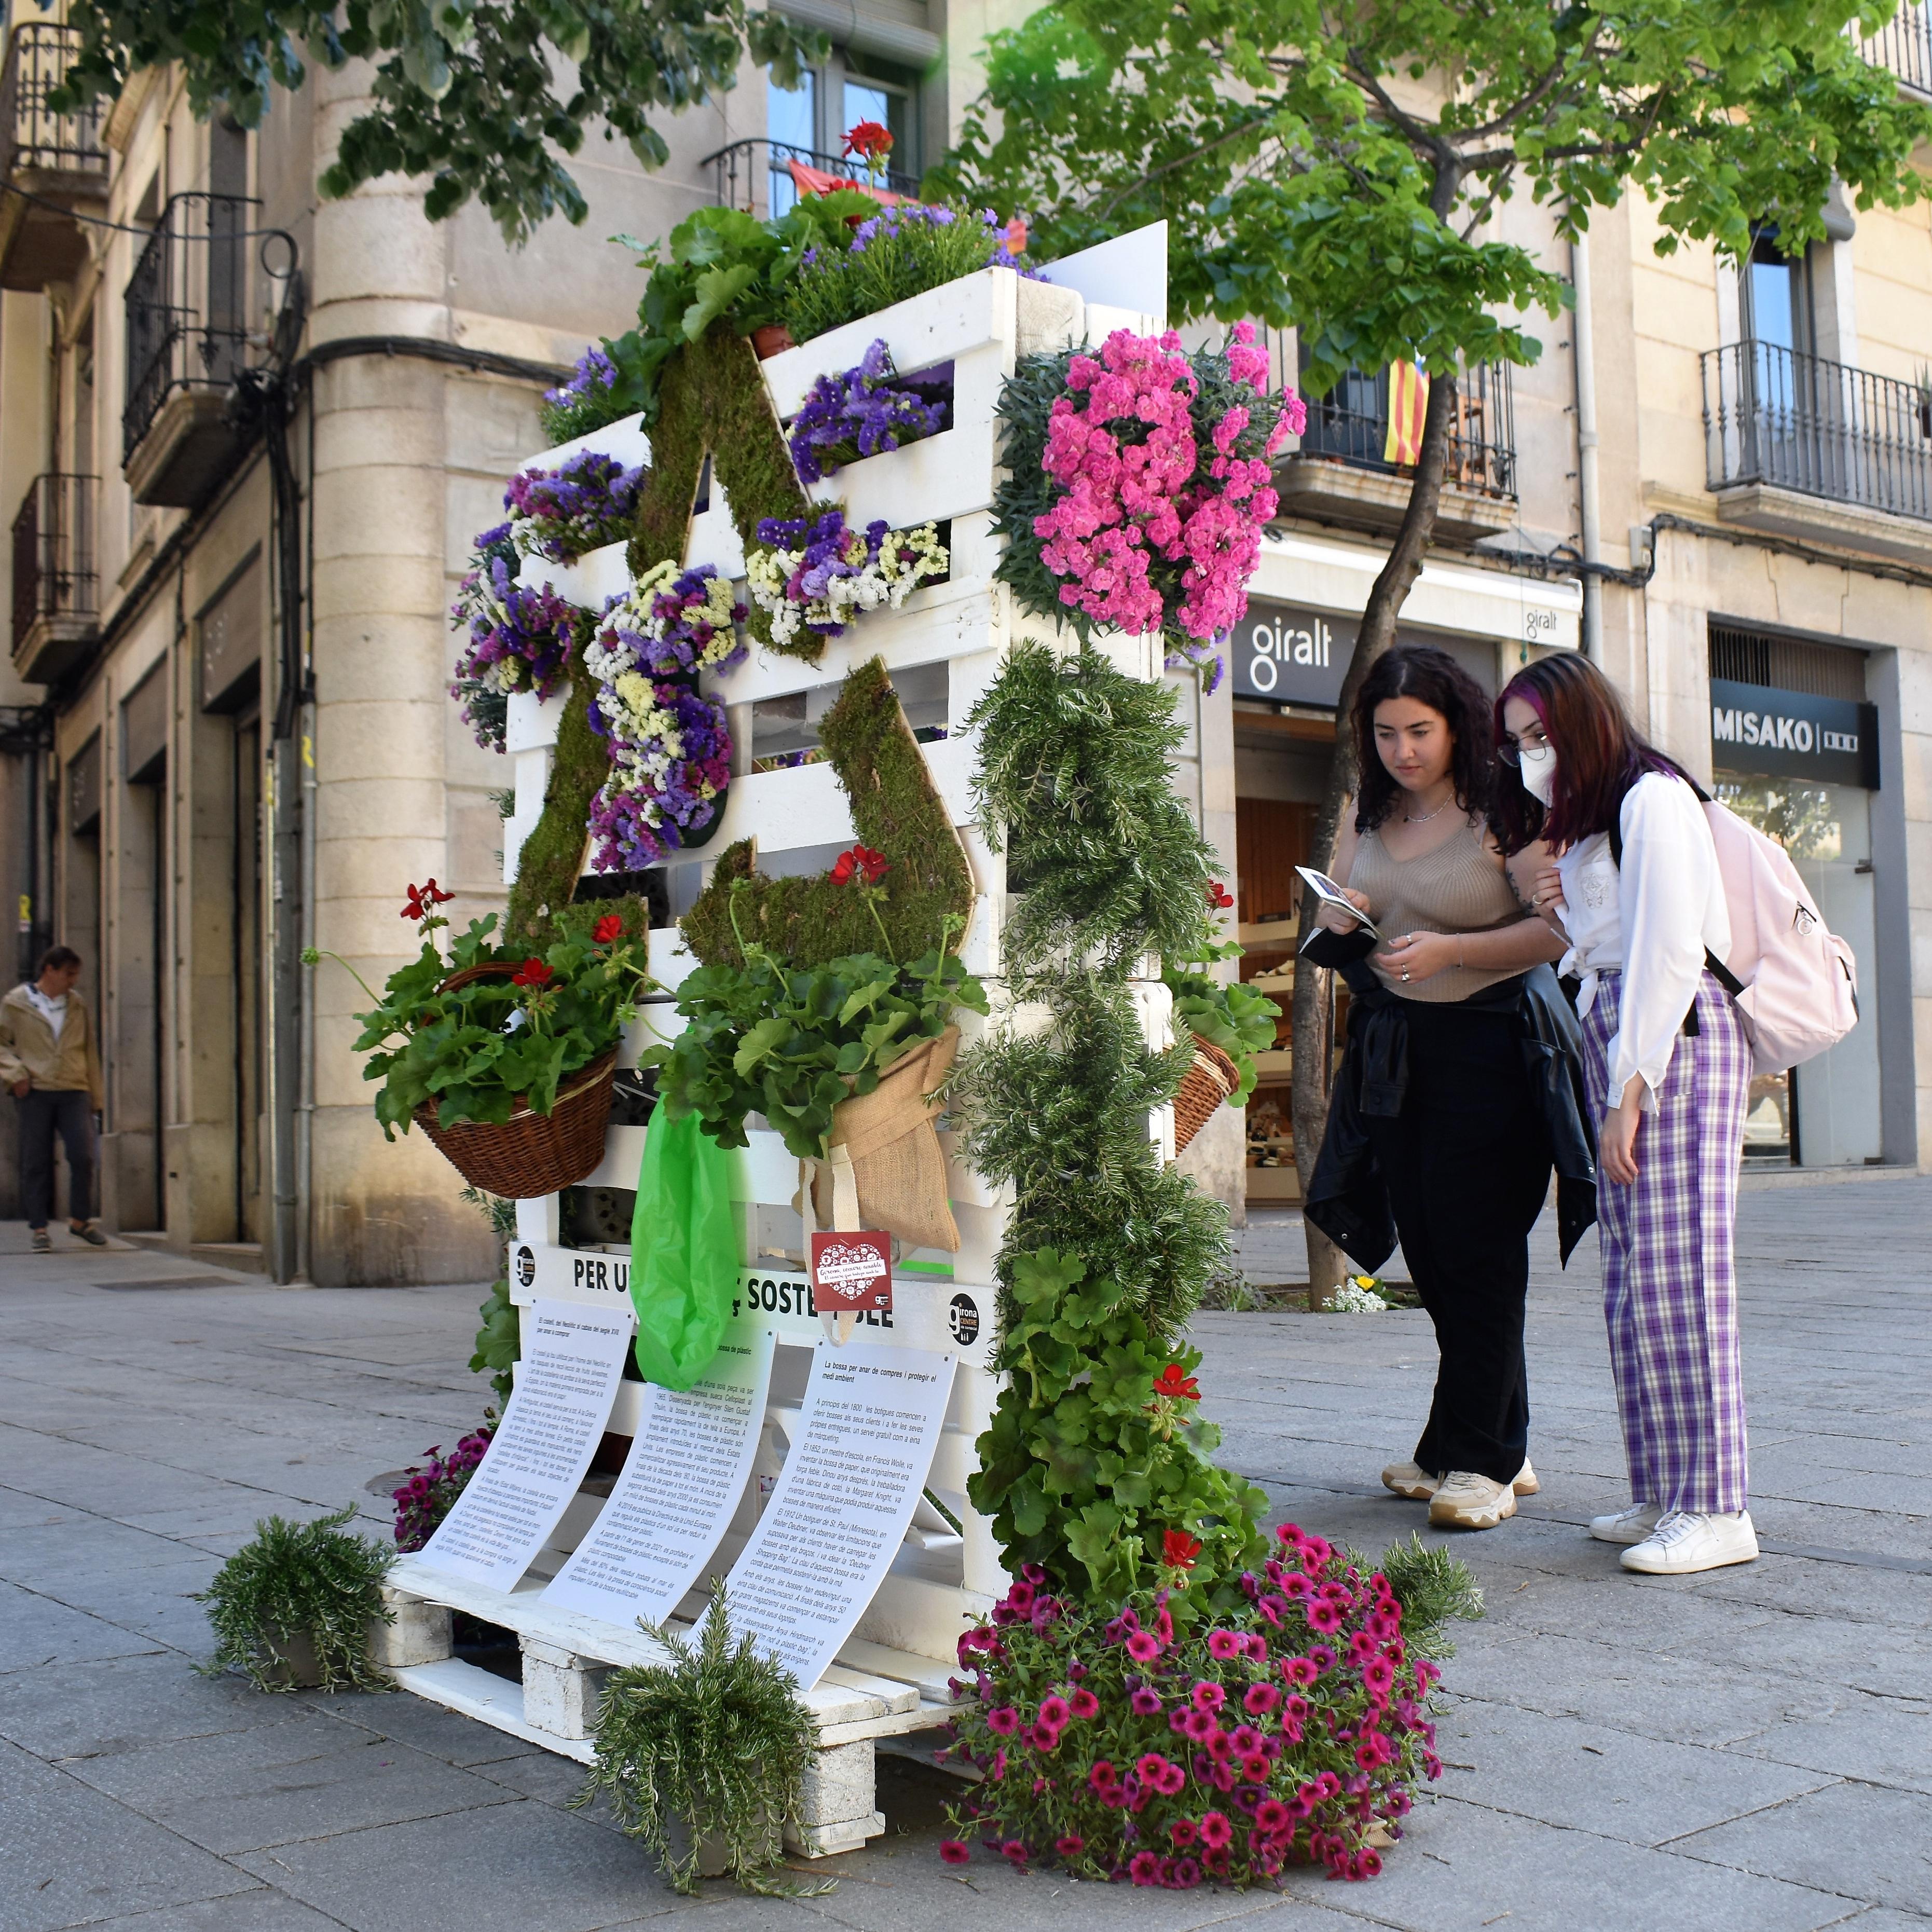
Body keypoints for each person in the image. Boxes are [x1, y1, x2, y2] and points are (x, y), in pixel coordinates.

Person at [1304, 646, 1597, 1531]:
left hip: (1492, 1044)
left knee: (1475, 1247)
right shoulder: (1371, 805)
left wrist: (1451, 949)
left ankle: (1485, 1460)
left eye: (1418, 731)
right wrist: (1338, 919)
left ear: (1455, 724)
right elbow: (1356, 904)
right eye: (1385, 731)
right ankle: (1463, 1439)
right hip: (1397, 1049)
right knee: (1428, 1246)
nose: (1401, 749)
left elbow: (1556, 929)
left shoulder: (1503, 808)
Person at [1496, 653, 1757, 1577]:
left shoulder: (1652, 798)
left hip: (1673, 1034)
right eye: (1520, 742)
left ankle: (1717, 1503)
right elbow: (1603, 954)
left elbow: (1668, 951)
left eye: (1541, 737)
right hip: (1626, 1025)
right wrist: (1562, 905)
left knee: (1681, 1274)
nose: (1532, 757)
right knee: (1634, 1284)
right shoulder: (1599, 818)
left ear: (1581, 723)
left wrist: (1627, 1090)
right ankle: (1665, 1486)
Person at [0, 946, 106, 1253]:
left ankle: (80, 1221)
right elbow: (2, 1045)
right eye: (69, 974)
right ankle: (40, 1228)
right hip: (36, 1090)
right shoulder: (16, 1003)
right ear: (50, 970)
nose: (73, 981)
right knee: (37, 1160)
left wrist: (96, 1097)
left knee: (83, 1155)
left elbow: (90, 1052)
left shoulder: (78, 1005)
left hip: (75, 1088)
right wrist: (15, 1073)